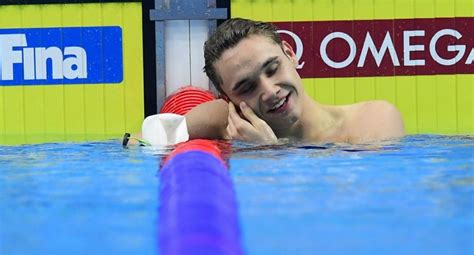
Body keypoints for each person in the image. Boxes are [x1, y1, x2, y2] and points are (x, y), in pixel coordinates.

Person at [127, 18, 404, 146]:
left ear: (290, 54)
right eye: (246, 87)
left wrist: (270, 152)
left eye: (272, 69)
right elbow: (139, 142)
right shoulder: (223, 119)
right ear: (228, 100)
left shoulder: (372, 119)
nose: (270, 91)